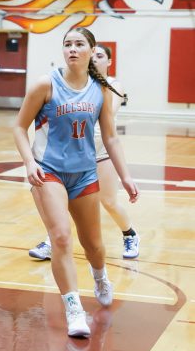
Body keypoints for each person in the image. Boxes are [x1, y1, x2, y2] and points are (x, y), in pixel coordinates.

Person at [13, 27, 138, 338]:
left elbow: (109, 137)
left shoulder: (101, 89)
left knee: (93, 244)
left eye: (79, 44)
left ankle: (100, 276)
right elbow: (18, 127)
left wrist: (125, 176)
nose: (72, 49)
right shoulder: (46, 84)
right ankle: (73, 307)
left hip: (84, 174)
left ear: (91, 50)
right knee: (61, 238)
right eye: (67, 44)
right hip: (48, 171)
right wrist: (29, 162)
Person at [28, 43, 140, 261]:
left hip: (100, 153)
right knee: (60, 202)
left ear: (109, 62)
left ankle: (129, 233)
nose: (96, 58)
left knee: (108, 202)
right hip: (72, 154)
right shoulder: (73, 84)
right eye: (94, 55)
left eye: (101, 56)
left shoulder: (111, 86)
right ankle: (53, 240)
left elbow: (109, 111)